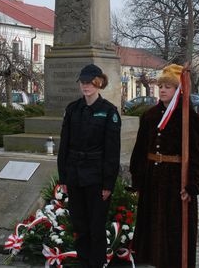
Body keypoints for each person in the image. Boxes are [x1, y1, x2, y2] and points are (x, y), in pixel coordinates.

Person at [129, 64, 199, 268]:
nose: (163, 90)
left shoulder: (188, 117)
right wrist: (138, 179)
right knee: (153, 233)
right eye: (161, 86)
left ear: (178, 90)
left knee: (175, 234)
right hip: (153, 180)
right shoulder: (149, 116)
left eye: (168, 87)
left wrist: (192, 184)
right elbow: (140, 151)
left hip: (176, 182)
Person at [57, 64, 121, 268]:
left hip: (96, 176)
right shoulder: (73, 109)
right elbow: (64, 146)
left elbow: (112, 151)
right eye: (83, 82)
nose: (86, 86)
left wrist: (108, 184)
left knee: (96, 226)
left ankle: (97, 263)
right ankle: (84, 262)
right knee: (80, 224)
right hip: (75, 175)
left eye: (90, 82)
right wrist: (64, 178)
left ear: (99, 83)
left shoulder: (109, 111)